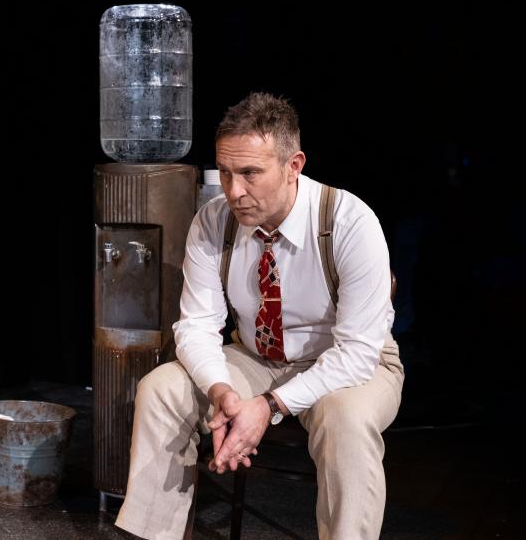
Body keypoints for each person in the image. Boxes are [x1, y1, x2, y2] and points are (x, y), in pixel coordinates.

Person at [114, 92, 404, 540]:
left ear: (294, 166)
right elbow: (196, 324)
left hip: (352, 365)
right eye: (226, 173)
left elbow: (357, 352)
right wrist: (223, 391)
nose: (234, 191)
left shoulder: (348, 221)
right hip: (257, 356)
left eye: (250, 173)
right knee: (162, 389)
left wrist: (266, 409)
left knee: (344, 419)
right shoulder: (215, 221)